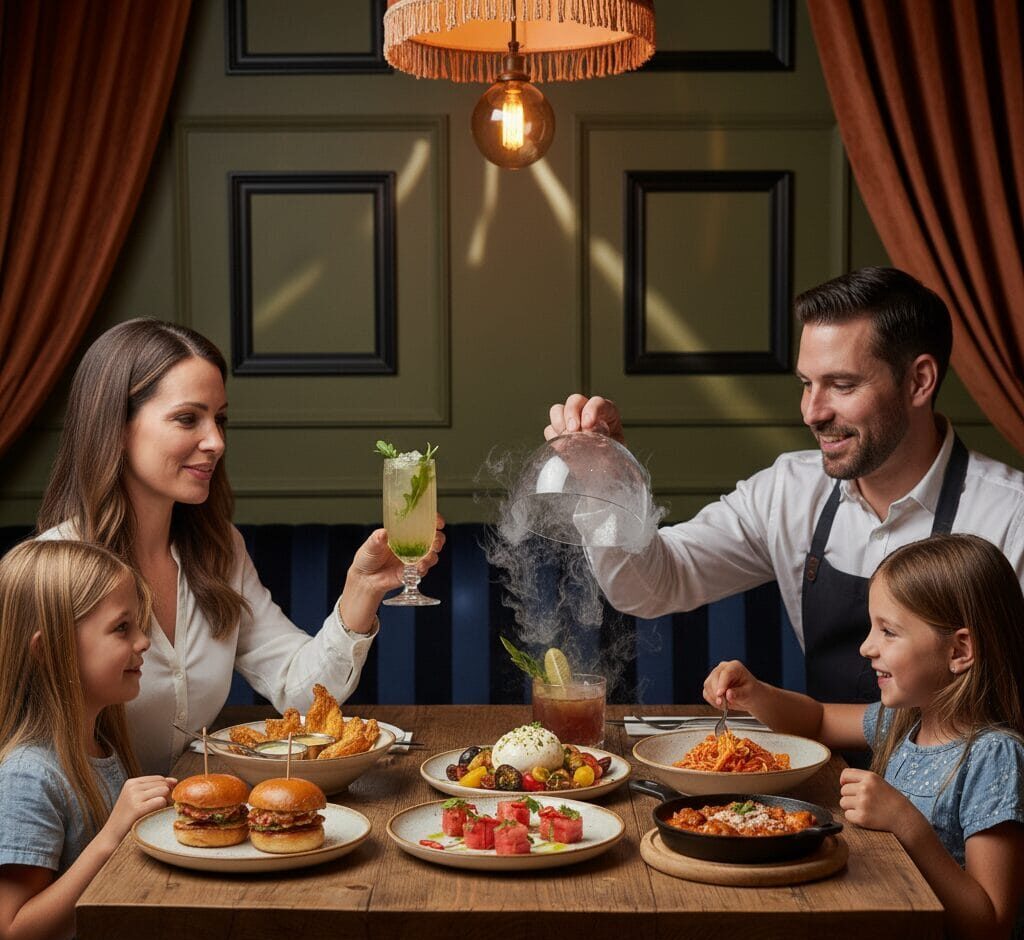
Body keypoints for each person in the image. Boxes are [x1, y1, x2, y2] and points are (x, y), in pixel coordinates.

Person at [545, 267, 1024, 703]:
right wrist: (609, 484)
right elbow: (650, 587)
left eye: (841, 385)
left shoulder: (1010, 517)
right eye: (806, 383)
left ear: (919, 381)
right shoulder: (788, 492)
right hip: (822, 779)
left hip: (959, 791)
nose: (813, 412)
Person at [35, 318, 445, 775]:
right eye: (188, 418)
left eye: (220, 419)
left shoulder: (218, 550)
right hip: (100, 836)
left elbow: (298, 690)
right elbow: (27, 757)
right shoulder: (53, 571)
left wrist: (363, 587)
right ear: (115, 426)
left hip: (196, 820)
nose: (216, 441)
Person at [703, 534, 1024, 939]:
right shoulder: (904, 720)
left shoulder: (994, 755)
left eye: (888, 631)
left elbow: (989, 924)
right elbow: (818, 720)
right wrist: (756, 693)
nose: (866, 647)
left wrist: (906, 824)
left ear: (959, 651)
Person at [0, 539, 176, 940]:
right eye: (122, 627)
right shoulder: (28, 777)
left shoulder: (102, 748)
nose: (144, 640)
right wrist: (111, 836)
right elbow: (13, 930)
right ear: (47, 651)